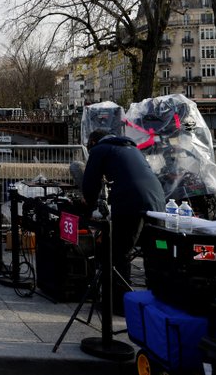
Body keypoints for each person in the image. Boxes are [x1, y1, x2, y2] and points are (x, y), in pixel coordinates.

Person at [80, 129, 165, 312]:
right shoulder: (131, 149)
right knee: (154, 254)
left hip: (131, 203)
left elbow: (90, 183)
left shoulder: (100, 149)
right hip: (157, 202)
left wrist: (87, 207)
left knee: (118, 253)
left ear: (93, 142)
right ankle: (156, 302)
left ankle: (119, 304)